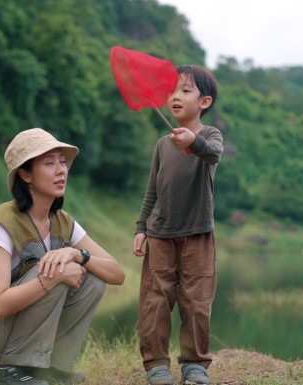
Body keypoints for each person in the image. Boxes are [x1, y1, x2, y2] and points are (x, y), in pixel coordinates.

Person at [0, 128, 125, 385]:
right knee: (52, 269)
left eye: (62, 162)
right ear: (25, 174)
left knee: (93, 279)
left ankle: (49, 370)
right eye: (49, 163)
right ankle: (10, 373)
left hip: (7, 330)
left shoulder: (62, 222)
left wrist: (78, 255)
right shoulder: (3, 223)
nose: (61, 170)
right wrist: (53, 278)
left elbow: (116, 274)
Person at [132, 65, 222, 385]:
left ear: (205, 102)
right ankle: (156, 364)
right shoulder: (161, 145)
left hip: (198, 234)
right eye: (171, 91)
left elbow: (212, 154)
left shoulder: (209, 136)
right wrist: (141, 227)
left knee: (196, 302)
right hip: (160, 235)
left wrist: (192, 140)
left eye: (185, 91)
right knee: (155, 301)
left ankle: (195, 365)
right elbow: (152, 191)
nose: (175, 97)